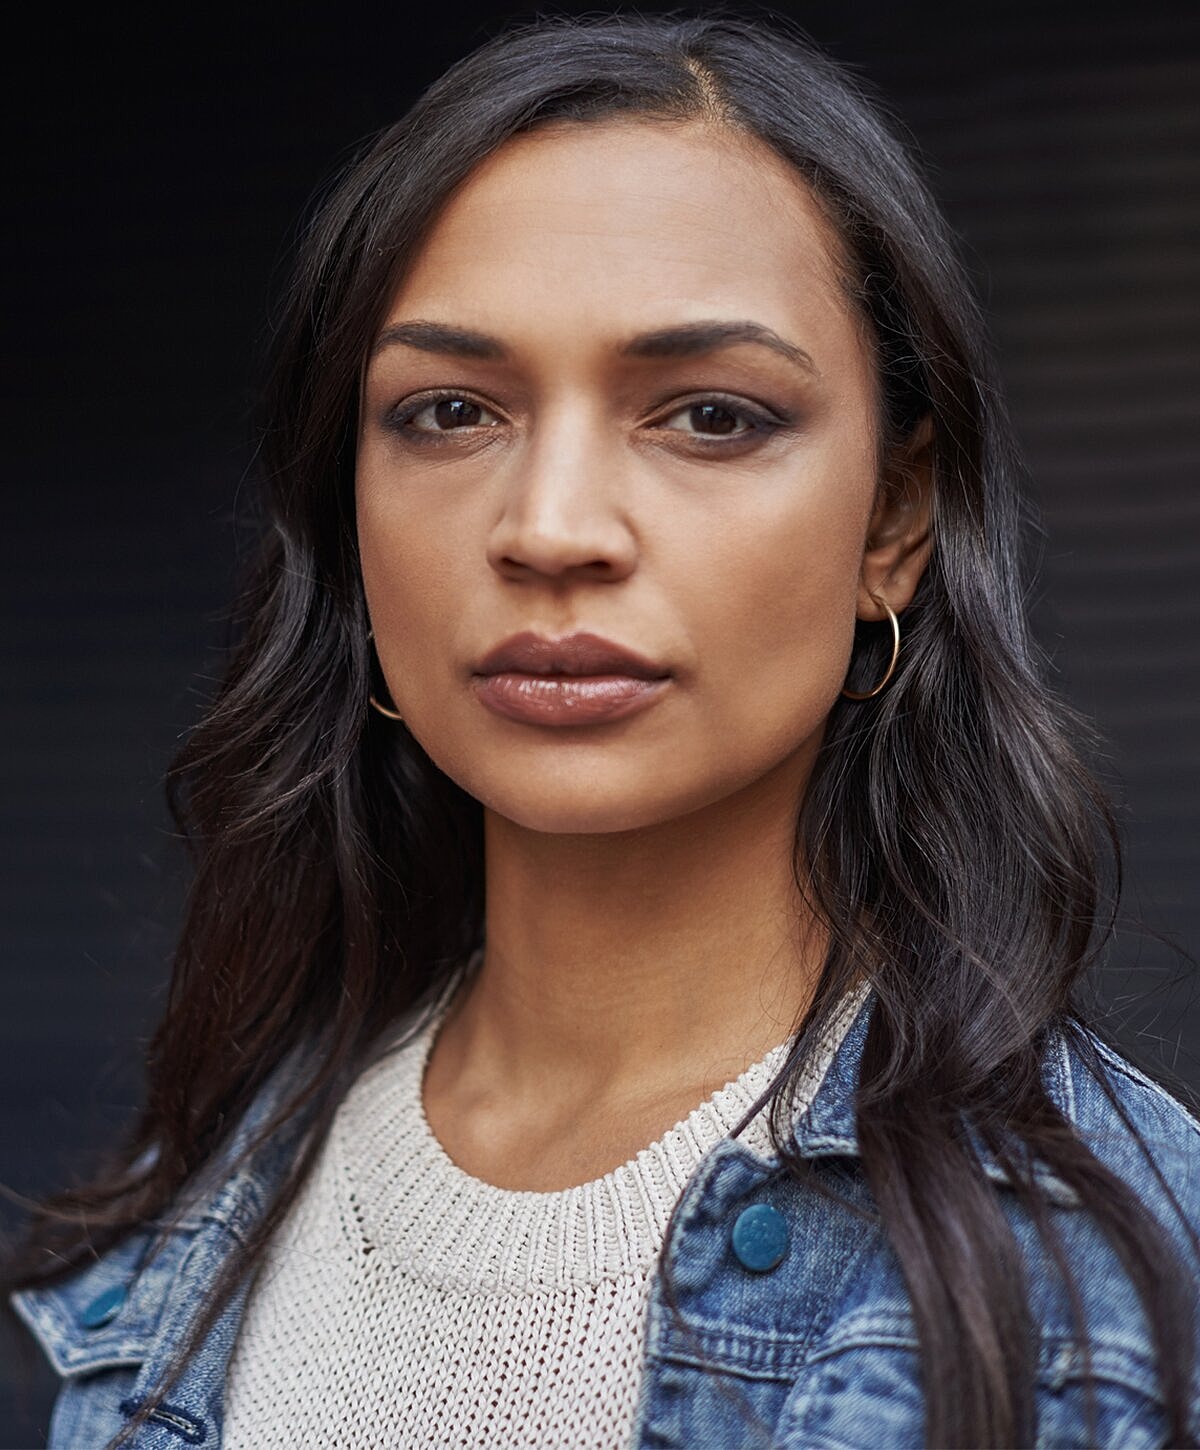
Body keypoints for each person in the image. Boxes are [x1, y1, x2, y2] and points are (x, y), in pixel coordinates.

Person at [6, 11, 1199, 1449]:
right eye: (450, 410)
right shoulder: (198, 1213)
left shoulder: (1099, 1281)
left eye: (708, 415)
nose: (552, 528)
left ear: (895, 519)